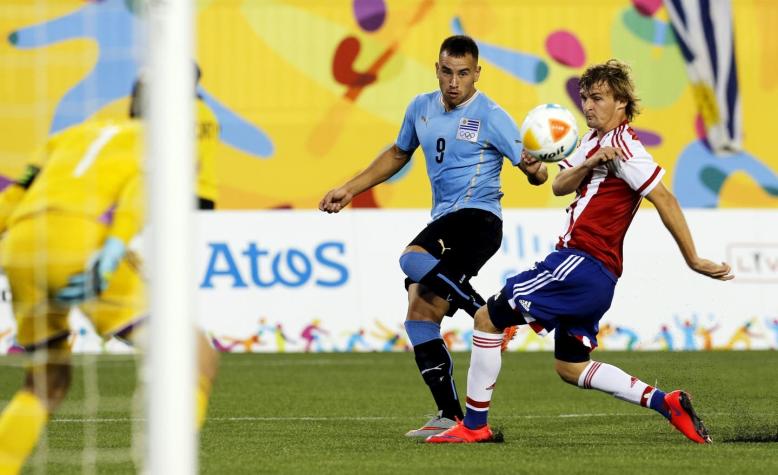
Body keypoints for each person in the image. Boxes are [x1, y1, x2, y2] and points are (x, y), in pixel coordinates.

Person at [426, 59, 734, 444]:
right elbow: (558, 186)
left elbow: (665, 199)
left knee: (488, 318)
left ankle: (474, 426)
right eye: (585, 98)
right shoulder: (592, 143)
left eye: (598, 98)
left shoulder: (624, 145)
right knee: (570, 367)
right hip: (597, 275)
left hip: (582, 261)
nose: (588, 106)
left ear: (622, 102)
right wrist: (588, 161)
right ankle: (665, 402)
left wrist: (694, 259)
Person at [319, 35, 548, 437]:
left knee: (411, 257)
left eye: (463, 73)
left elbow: (535, 171)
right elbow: (397, 153)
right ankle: (451, 416)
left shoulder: (492, 115)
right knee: (420, 313)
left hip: (479, 219)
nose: (454, 81)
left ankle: (487, 312)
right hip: (446, 218)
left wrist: (534, 168)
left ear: (477, 73)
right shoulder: (420, 108)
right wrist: (350, 188)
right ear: (437, 69)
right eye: (447, 72)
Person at [0, 71, 220, 473]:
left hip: (21, 246)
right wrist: (116, 245)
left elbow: (14, 194)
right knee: (196, 353)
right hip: (84, 242)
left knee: (46, 381)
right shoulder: (172, 143)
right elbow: (140, 192)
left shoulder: (73, 134)